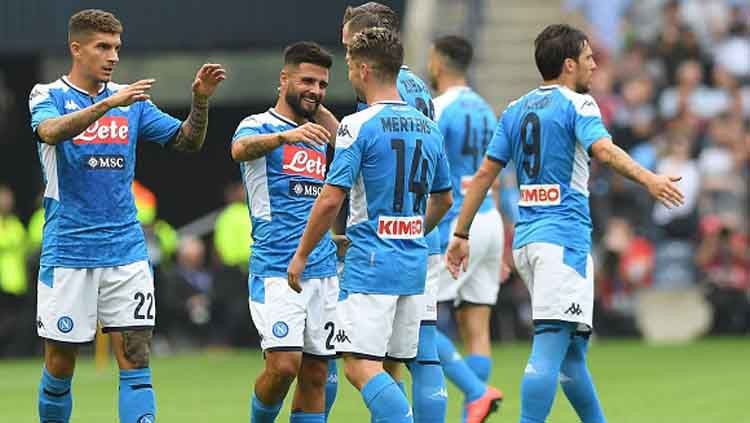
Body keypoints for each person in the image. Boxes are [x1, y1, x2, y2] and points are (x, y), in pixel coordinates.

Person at [445, 24, 684, 423]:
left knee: (572, 356)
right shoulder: (579, 104)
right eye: (588, 58)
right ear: (569, 64)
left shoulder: (515, 109)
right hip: (562, 241)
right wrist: (650, 179)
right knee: (551, 345)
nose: (594, 65)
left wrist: (461, 232)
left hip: (528, 242)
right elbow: (603, 150)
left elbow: (485, 173)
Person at [29, 9, 225, 423]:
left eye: (117, 47)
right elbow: (50, 132)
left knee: (136, 359)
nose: (113, 56)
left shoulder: (131, 102)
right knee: (60, 365)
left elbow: (186, 141)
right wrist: (107, 105)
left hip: (127, 252)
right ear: (76, 48)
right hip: (69, 252)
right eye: (103, 47)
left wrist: (201, 101)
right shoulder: (47, 94)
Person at [288, 27, 453, 423]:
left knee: (359, 365)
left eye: (348, 65)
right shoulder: (428, 126)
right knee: (391, 367)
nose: (347, 73)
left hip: (371, 266)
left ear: (363, 69)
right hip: (414, 266)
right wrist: (412, 231)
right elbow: (444, 199)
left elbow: (331, 198)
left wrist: (302, 254)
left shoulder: (358, 125)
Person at [230, 41, 339, 423]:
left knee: (317, 373)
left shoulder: (319, 133)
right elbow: (240, 150)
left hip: (322, 269)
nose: (316, 89)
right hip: (276, 269)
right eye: (307, 81)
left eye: (322, 84)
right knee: (283, 366)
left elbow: (349, 143)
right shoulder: (258, 125)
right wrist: (285, 137)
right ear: (283, 79)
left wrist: (312, 105)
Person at [428, 35, 505, 420]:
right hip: (490, 219)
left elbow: (426, 168)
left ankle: (476, 391)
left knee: (417, 320)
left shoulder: (439, 109)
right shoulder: (486, 110)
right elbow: (495, 174)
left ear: (438, 63)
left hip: (457, 225)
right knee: (477, 328)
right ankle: (471, 412)